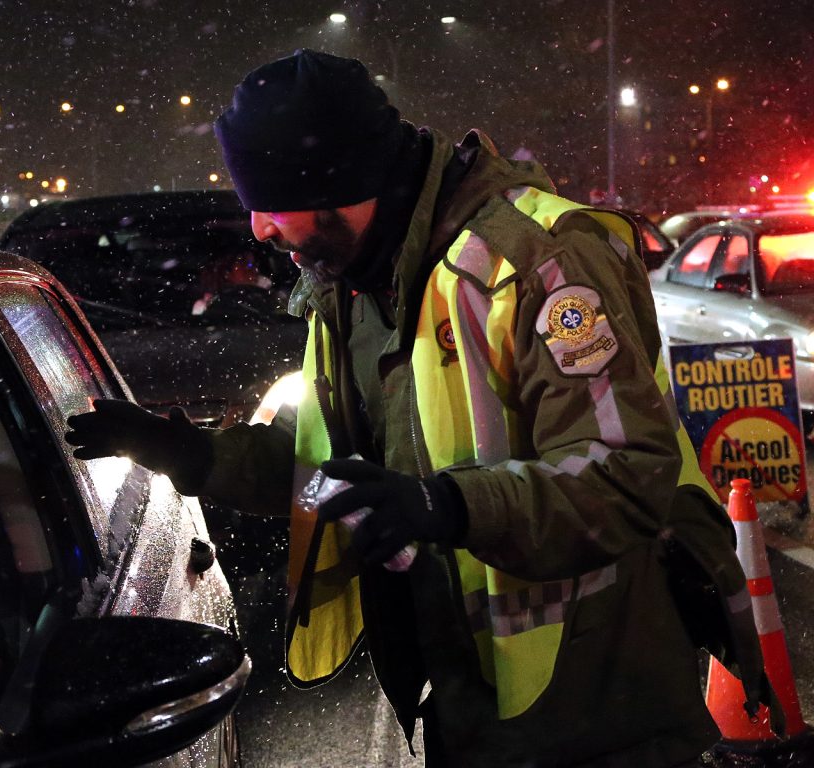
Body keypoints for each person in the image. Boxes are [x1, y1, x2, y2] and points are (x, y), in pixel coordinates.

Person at [66, 50, 774, 767]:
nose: (257, 230)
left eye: (269, 201)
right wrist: (198, 457)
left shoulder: (538, 261)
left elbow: (627, 476)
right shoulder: (352, 284)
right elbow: (322, 470)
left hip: (600, 709)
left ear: (340, 184)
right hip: (468, 703)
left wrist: (447, 506)